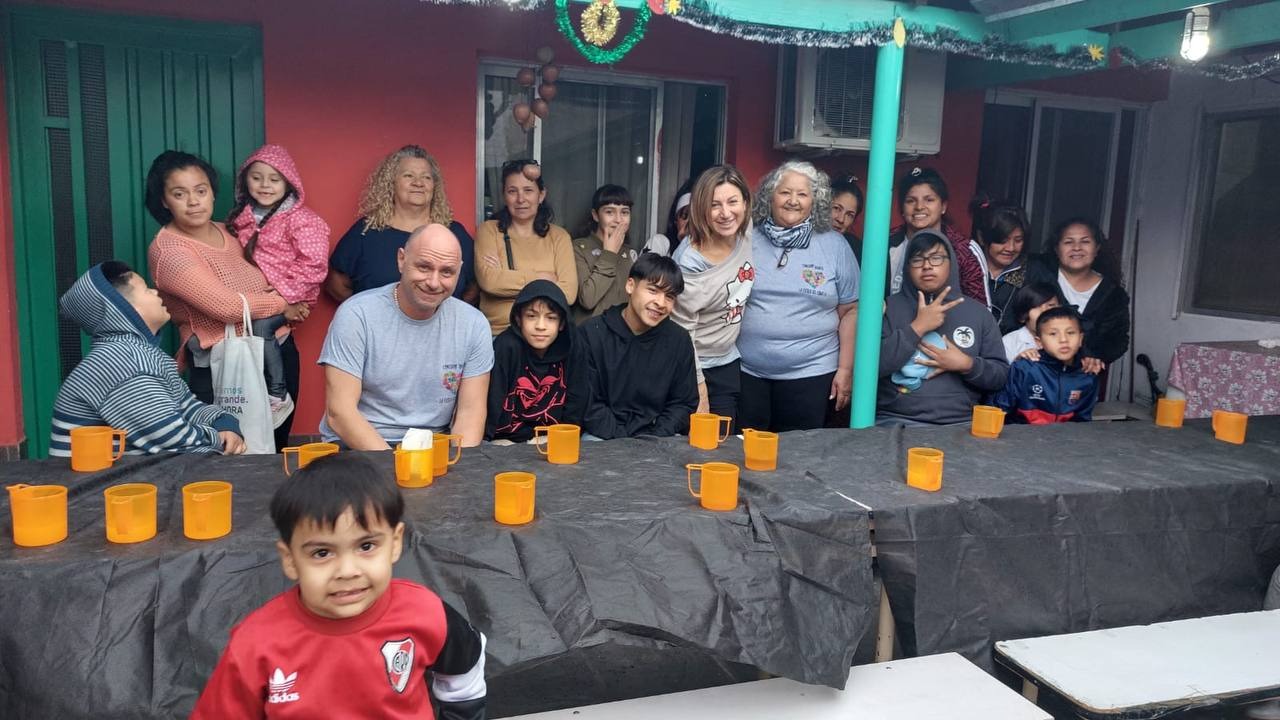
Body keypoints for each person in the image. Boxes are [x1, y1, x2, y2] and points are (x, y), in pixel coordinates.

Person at [190, 454, 486, 719]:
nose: (347, 571)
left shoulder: (425, 611)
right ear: (290, 559)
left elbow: (466, 662)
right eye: (322, 553)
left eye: (366, 546)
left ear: (395, 543)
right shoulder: (255, 644)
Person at [145, 150, 303, 451]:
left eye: (200, 191)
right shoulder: (168, 251)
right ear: (164, 200)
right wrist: (283, 305)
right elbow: (227, 307)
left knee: (276, 449)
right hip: (221, 364)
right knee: (231, 455)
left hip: (276, 351)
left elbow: (269, 274)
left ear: (213, 193)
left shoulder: (230, 231)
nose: (193, 201)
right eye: (179, 194)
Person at [319, 224, 493, 449]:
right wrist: (398, 464)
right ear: (401, 260)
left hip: (433, 444)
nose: (433, 282)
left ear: (459, 271)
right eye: (424, 267)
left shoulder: (473, 324)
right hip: (359, 445)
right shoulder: (357, 315)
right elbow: (340, 413)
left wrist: (460, 464)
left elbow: (471, 413)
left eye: (446, 272)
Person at [49, 261, 246, 456]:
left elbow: (187, 407)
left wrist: (223, 423)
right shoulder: (121, 361)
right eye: (145, 289)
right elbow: (172, 440)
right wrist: (219, 439)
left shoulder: (145, 355)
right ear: (123, 308)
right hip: (102, 476)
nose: (154, 292)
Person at [737, 160, 859, 433]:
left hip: (812, 373)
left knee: (798, 453)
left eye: (802, 194)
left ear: (814, 201)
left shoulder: (835, 246)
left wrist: (845, 370)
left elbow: (850, 311)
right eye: (785, 192)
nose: (793, 201)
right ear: (770, 197)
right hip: (747, 372)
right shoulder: (746, 239)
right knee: (744, 451)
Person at [226, 144, 331, 426]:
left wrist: (286, 294)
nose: (265, 185)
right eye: (256, 177)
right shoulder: (241, 217)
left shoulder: (301, 220)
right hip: (257, 299)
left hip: (293, 294)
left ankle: (277, 393)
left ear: (289, 183)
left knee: (262, 328)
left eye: (274, 179)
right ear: (244, 181)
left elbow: (314, 263)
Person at [877, 230, 1008, 426]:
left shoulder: (978, 313)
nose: (927, 265)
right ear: (907, 267)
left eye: (936, 258)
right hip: (896, 420)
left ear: (951, 263)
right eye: (917, 259)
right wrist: (917, 328)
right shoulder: (889, 308)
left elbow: (1000, 377)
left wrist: (967, 364)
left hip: (961, 423)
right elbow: (872, 368)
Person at [327, 145, 478, 305]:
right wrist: (373, 312)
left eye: (426, 177)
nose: (418, 183)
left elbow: (473, 289)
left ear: (434, 186)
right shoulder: (365, 231)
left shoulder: (454, 234)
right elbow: (336, 285)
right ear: (391, 183)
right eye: (408, 175)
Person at [580, 253, 698, 439]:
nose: (660, 303)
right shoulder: (592, 333)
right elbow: (589, 403)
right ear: (630, 286)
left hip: (658, 438)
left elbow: (683, 403)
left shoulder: (679, 340)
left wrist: (654, 438)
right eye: (653, 290)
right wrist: (625, 443)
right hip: (603, 437)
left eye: (669, 296)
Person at [671, 164, 754, 423]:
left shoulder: (745, 232)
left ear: (745, 203)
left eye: (733, 202)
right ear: (701, 208)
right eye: (714, 205)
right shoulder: (689, 261)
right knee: (698, 439)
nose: (726, 213)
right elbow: (683, 332)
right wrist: (700, 388)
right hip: (692, 365)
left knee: (725, 440)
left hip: (728, 359)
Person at [475, 159, 578, 335]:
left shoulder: (559, 237)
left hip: (545, 335)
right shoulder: (489, 231)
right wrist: (543, 279)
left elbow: (568, 294)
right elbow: (489, 281)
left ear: (541, 195)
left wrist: (507, 278)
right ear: (504, 195)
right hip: (499, 332)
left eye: (528, 190)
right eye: (512, 191)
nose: (520, 199)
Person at [486, 280, 589, 443]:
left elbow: (577, 401)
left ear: (562, 323)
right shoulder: (506, 346)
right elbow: (492, 401)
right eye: (531, 316)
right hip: (504, 440)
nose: (540, 326)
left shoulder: (573, 346)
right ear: (518, 319)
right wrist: (488, 443)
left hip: (553, 438)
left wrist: (564, 435)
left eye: (551, 318)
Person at [1026, 217, 1130, 372]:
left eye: (1085, 241)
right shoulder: (1036, 272)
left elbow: (1118, 339)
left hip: (1079, 376)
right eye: (1068, 242)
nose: (1076, 248)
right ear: (1056, 249)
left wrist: (1094, 355)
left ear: (1097, 248)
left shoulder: (1114, 295)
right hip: (1028, 366)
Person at [887, 167, 984, 302]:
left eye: (929, 200)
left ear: (943, 206)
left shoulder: (964, 250)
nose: (919, 207)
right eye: (910, 201)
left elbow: (979, 308)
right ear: (902, 208)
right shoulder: (885, 244)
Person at [992, 306, 1098, 424]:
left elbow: (1082, 422)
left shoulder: (1087, 376)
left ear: (1080, 339)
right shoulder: (1025, 369)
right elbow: (1000, 410)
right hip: (1021, 434)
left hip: (1066, 435)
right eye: (1053, 334)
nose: (1063, 339)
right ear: (1039, 342)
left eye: (1070, 333)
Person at [572, 184, 640, 323]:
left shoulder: (630, 254)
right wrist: (609, 254)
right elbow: (588, 300)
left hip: (623, 332)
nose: (618, 219)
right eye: (610, 212)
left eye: (625, 212)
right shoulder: (579, 248)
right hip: (591, 332)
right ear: (596, 215)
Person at [966, 194, 1029, 330]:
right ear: (982, 238)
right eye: (1002, 240)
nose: (1011, 248)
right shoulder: (966, 270)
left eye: (1018, 240)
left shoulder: (1032, 273)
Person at [1002, 282, 1062, 362]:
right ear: (1023, 315)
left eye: (1051, 305)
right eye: (1037, 306)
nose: (1045, 312)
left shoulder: (1068, 337)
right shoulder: (1009, 342)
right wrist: (1018, 362)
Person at [643, 178, 694, 257]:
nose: (689, 223)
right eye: (685, 216)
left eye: (695, 218)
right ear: (676, 220)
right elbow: (645, 264)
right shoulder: (660, 243)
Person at [830, 174, 865, 263]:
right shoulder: (803, 238)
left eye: (849, 215)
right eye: (836, 208)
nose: (841, 219)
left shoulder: (856, 250)